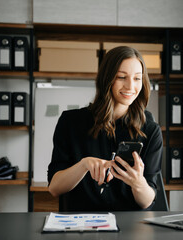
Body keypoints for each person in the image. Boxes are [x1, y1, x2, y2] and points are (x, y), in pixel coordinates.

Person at [47, 46, 163, 211]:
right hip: (82, 227)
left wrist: (138, 183)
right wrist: (83, 165)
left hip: (130, 229)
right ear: (107, 79)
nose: (131, 86)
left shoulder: (150, 130)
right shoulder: (70, 122)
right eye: (122, 77)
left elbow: (146, 201)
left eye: (137, 78)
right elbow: (54, 188)